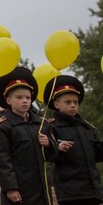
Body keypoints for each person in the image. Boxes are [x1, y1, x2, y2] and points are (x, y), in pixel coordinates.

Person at [0, 66, 57, 205]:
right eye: (19, 97)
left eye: (28, 97)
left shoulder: (41, 124)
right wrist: (10, 187)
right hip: (19, 189)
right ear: (8, 100)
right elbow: (2, 160)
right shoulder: (2, 126)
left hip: (41, 187)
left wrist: (50, 144)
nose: (25, 101)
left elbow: (52, 157)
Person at [43, 75, 103, 205]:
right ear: (56, 104)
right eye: (68, 102)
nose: (73, 106)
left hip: (93, 192)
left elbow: (97, 155)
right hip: (69, 194)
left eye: (75, 102)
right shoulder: (51, 127)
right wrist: (58, 148)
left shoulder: (88, 128)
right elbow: (47, 156)